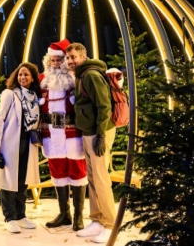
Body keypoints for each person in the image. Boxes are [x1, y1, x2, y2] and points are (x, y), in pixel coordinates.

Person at [65, 42, 116, 244]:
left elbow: (104, 106)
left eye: (74, 57)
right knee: (93, 178)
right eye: (68, 58)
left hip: (98, 132)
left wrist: (101, 136)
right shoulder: (81, 75)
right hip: (88, 132)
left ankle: (111, 225)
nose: (70, 61)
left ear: (83, 57)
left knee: (101, 179)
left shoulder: (91, 75)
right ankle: (98, 220)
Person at [38, 39, 87, 231]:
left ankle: (78, 216)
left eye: (60, 60)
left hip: (73, 133)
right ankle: (64, 213)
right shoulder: (43, 78)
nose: (56, 64)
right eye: (53, 60)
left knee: (78, 172)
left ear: (66, 61)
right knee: (57, 173)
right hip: (51, 134)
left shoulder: (75, 78)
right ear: (48, 61)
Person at [0, 62, 41, 234]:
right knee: (8, 181)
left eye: (26, 74)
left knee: (22, 181)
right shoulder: (10, 94)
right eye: (20, 74)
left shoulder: (34, 97)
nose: (22, 77)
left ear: (32, 77)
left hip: (28, 142)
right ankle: (9, 217)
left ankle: (21, 215)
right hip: (10, 143)